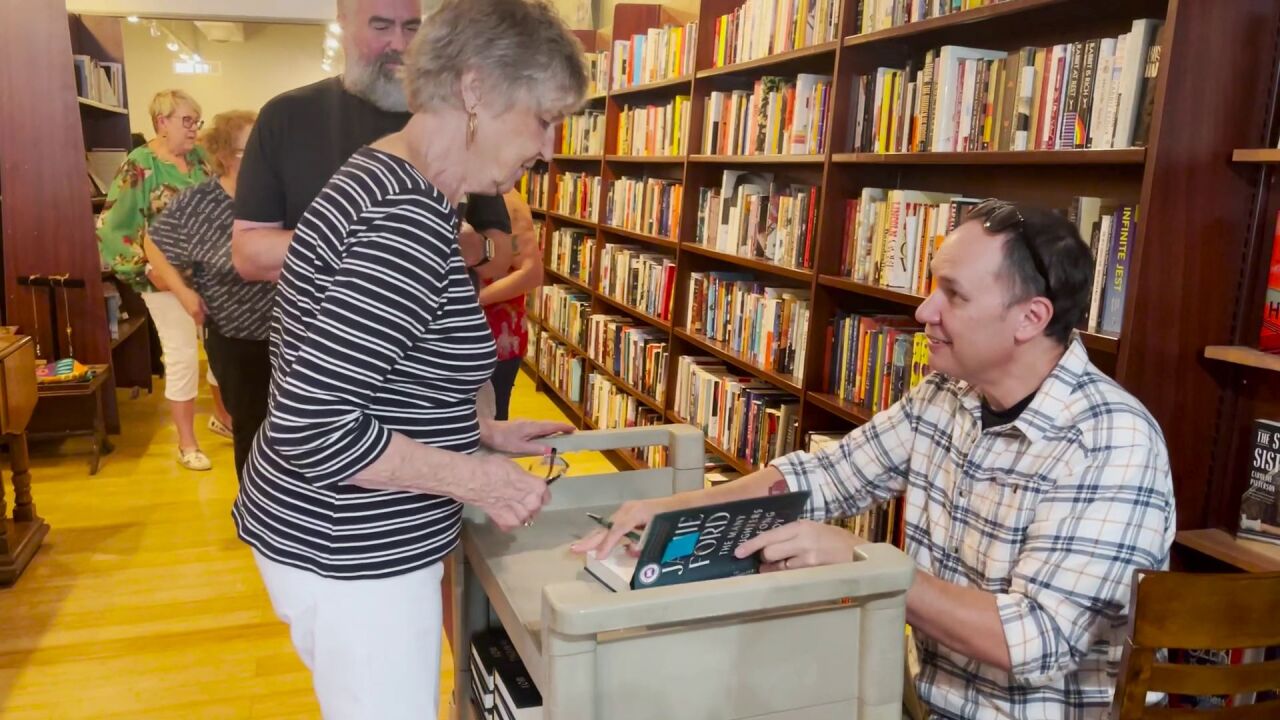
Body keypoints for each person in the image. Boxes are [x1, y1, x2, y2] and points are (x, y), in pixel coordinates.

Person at [575, 200, 1177, 720]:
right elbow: (822, 478)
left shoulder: (1112, 442)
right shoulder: (950, 394)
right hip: (916, 696)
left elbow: (1035, 640)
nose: (923, 312)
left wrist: (864, 564)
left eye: (954, 294)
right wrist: (674, 511)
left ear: (1030, 319)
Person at [230, 1, 586, 717]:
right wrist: (475, 478)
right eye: (544, 118)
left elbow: (367, 369)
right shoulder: (404, 222)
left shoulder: (388, 179)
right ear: (478, 89)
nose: (548, 148)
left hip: (336, 538)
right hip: (353, 553)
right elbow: (316, 424)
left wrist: (475, 430)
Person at [229, 0, 514, 474]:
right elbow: (249, 253)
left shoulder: (458, 121)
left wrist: (466, 246)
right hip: (335, 384)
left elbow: (499, 254)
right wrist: (392, 239)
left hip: (445, 385)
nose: (399, 44)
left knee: (456, 526)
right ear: (342, 23)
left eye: (412, 27)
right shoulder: (287, 117)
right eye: (380, 26)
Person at [96, 89, 231, 471]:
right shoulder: (141, 165)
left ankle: (224, 417)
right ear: (161, 122)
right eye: (187, 121)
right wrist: (147, 270)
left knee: (220, 352)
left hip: (210, 277)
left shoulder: (201, 163)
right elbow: (113, 228)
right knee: (183, 356)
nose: (194, 129)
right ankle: (186, 443)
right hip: (164, 279)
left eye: (197, 121)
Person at [145, 110, 274, 477]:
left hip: (293, 332)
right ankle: (257, 512)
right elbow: (152, 242)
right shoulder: (196, 203)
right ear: (224, 155)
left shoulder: (279, 197)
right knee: (251, 428)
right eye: (251, 150)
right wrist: (184, 293)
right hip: (235, 337)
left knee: (294, 429)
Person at [478, 190, 543, 420]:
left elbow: (532, 273)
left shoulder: (504, 199)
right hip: (466, 333)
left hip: (496, 337)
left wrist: (472, 300)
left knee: (491, 422)